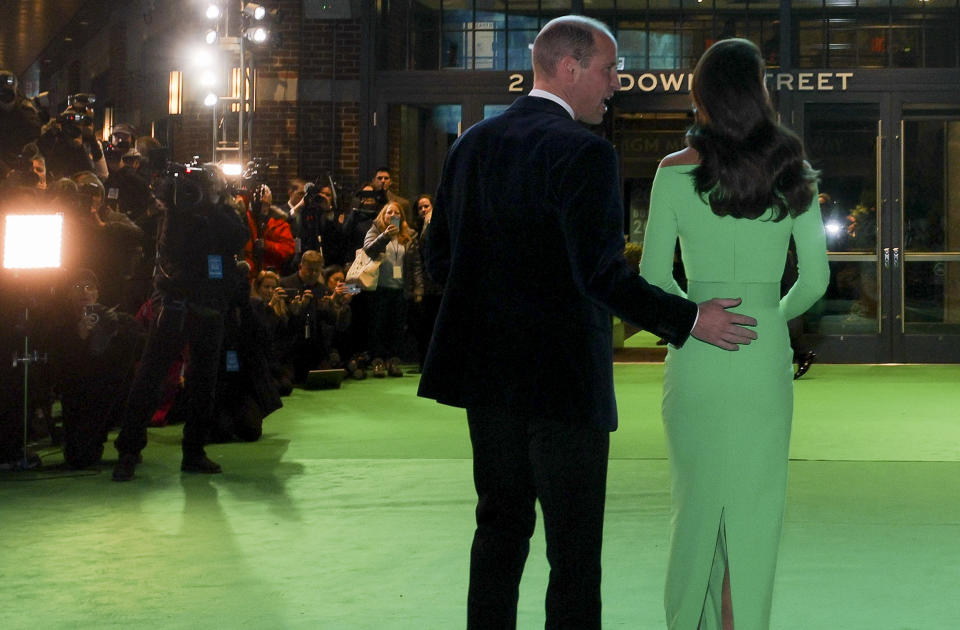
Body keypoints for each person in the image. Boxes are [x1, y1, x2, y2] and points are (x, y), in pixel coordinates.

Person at [416, 16, 758, 629]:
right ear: (569, 68)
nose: (616, 83)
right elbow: (603, 275)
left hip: (487, 379)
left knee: (498, 529)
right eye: (608, 69)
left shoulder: (471, 144)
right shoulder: (585, 153)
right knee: (573, 553)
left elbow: (438, 259)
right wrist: (690, 319)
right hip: (563, 384)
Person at [638, 38, 830, 630]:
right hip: (761, 359)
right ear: (758, 91)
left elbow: (650, 279)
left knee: (695, 509)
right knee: (755, 512)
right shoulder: (793, 171)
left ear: (701, 94)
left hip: (696, 354)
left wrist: (696, 318)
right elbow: (817, 278)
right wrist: (771, 315)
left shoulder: (672, 173)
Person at [363, 201, 420, 377]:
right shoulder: (375, 230)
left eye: (397, 213)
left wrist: (418, 288)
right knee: (378, 326)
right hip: (379, 288)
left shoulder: (409, 234)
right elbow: (368, 250)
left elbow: (416, 264)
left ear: (401, 217)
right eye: (389, 212)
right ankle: (378, 361)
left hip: (400, 290)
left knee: (396, 328)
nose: (393, 215)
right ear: (383, 215)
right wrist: (385, 236)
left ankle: (393, 361)